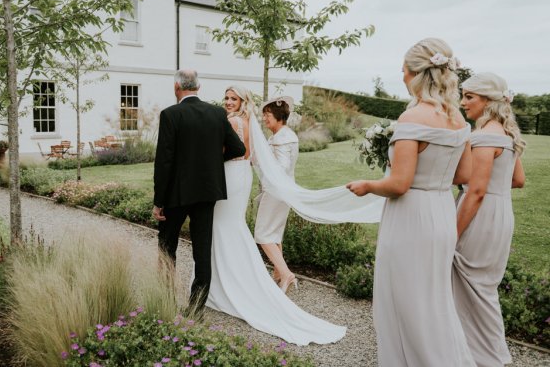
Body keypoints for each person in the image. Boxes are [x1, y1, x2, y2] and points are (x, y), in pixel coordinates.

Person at [346, 38, 476, 366]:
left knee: (403, 300)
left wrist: (367, 185)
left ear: (416, 74)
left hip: (410, 217)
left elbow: (399, 184)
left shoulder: (412, 118)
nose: (402, 77)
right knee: (433, 300)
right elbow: (466, 173)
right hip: (442, 212)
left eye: (403, 71)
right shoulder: (458, 119)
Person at [206, 85, 346, 345]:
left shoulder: (247, 126)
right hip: (257, 181)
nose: (227, 102)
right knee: (269, 233)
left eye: (233, 98)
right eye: (226, 97)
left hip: (260, 185)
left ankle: (284, 273)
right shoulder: (270, 130)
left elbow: (262, 161)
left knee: (259, 234)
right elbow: (256, 157)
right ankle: (276, 275)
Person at [152, 70, 246, 314]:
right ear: (199, 87)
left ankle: (164, 298)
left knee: (166, 247)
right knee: (202, 252)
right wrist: (214, 160)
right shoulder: (217, 113)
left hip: (176, 194)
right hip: (206, 193)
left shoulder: (170, 114)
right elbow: (238, 148)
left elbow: (164, 161)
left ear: (176, 87)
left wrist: (158, 201)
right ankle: (195, 309)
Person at [453, 72, 526, 367]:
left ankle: (491, 358)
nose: (462, 103)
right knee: (483, 287)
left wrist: (452, 233)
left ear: (488, 100)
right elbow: (519, 180)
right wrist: (492, 185)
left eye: (469, 97)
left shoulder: (482, 137)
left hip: (479, 216)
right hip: (502, 214)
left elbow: (477, 191)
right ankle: (473, 354)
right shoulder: (507, 135)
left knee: (473, 287)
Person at [253, 96, 300, 294]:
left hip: (276, 192)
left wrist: (263, 163)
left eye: (268, 115)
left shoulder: (282, 139)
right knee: (275, 233)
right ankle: (278, 274)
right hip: (284, 192)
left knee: (263, 234)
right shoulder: (282, 135)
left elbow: (282, 167)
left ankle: (286, 273)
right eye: (264, 115)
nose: (264, 119)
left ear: (279, 116)